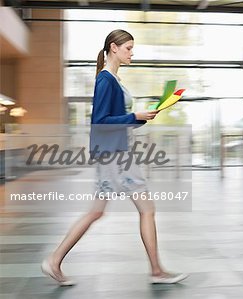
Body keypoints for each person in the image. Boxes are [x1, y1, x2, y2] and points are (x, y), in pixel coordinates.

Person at [41, 29, 188, 285]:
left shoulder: (114, 80)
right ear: (113, 47)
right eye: (129, 48)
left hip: (117, 153)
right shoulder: (106, 79)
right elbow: (100, 122)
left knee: (97, 212)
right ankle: (156, 271)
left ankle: (54, 261)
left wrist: (142, 118)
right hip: (117, 157)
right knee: (146, 209)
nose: (132, 53)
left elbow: (116, 121)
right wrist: (134, 116)